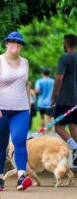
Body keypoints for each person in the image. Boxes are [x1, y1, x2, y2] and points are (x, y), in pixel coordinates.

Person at [0, 31, 32, 191]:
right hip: (0, 110)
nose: (16, 45)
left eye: (19, 43)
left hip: (21, 110)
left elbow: (26, 85)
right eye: (12, 42)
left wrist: (29, 107)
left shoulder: (25, 62)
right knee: (1, 144)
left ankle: (21, 177)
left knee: (19, 141)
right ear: (6, 43)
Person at [51, 34, 77, 168]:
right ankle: (76, 157)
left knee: (58, 126)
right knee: (73, 125)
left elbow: (59, 78)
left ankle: (75, 147)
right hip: (76, 99)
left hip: (64, 98)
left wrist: (53, 96)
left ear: (65, 44)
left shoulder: (64, 58)